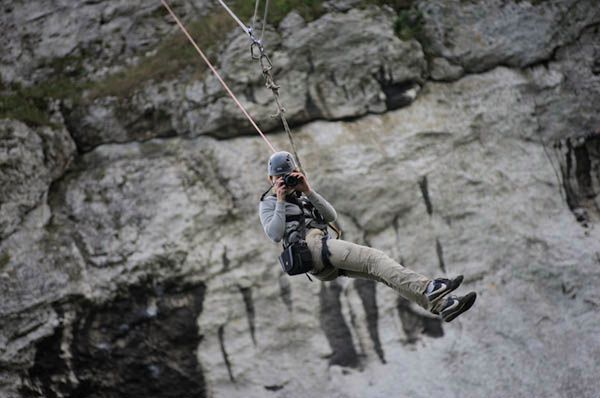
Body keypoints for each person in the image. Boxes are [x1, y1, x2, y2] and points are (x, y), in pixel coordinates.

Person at [259, 151, 476, 322]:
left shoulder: (303, 196)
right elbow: (275, 235)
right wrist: (279, 199)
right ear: (270, 178)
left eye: (287, 176)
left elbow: (330, 216)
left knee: (380, 272)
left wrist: (307, 190)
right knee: (375, 259)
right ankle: (429, 288)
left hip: (325, 256)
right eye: (278, 177)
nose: (283, 181)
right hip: (312, 250)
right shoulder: (268, 203)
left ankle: (443, 306)